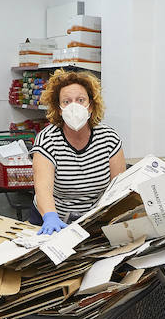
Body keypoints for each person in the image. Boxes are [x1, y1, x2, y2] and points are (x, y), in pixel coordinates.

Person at [31, 70, 126, 234]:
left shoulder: (109, 138)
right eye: (67, 101)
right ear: (59, 109)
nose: (74, 106)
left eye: (80, 100)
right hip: (53, 219)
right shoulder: (47, 140)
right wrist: (50, 216)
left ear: (91, 106)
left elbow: (119, 188)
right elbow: (43, 190)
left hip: (95, 221)